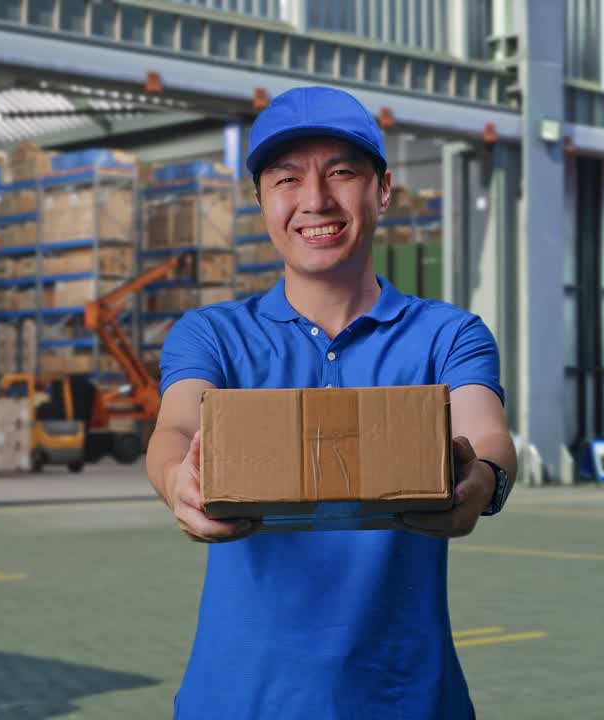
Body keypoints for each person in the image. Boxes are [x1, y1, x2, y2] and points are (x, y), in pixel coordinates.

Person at [145, 85, 517, 719]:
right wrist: (178, 482)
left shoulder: (447, 335)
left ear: (383, 190)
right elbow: (177, 428)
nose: (315, 199)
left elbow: (487, 434)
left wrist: (481, 481)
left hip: (405, 700)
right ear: (260, 200)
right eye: (286, 179)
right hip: (240, 701)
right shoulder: (213, 335)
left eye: (342, 173)